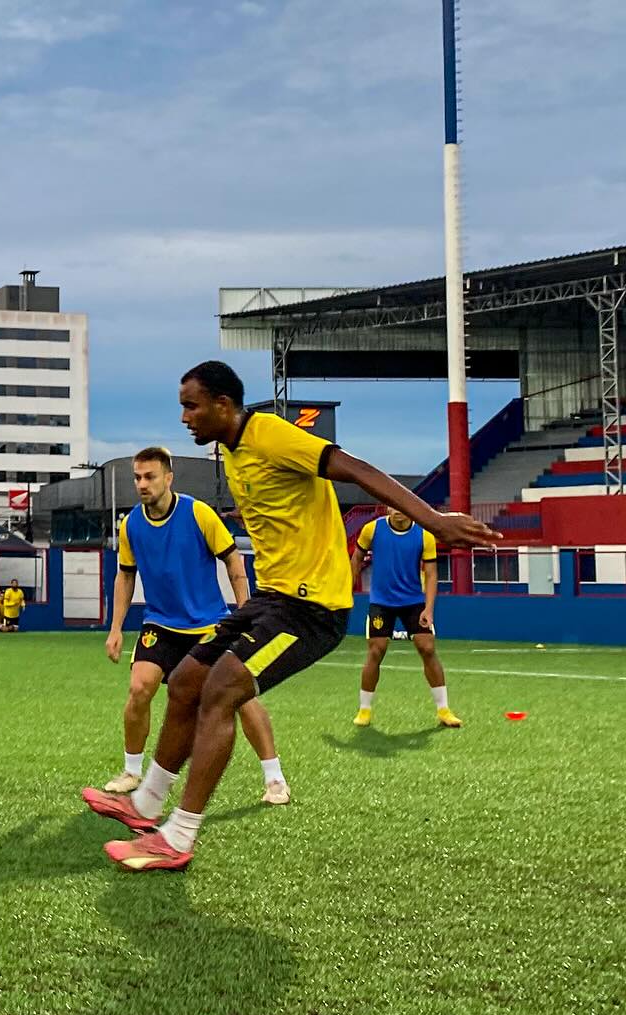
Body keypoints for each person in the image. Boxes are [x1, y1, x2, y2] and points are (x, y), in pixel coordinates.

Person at [100, 360, 498, 872]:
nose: (184, 417)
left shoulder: (269, 434)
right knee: (184, 682)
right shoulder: (234, 453)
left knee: (220, 689)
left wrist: (435, 520)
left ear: (224, 405)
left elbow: (357, 469)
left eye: (191, 405)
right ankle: (145, 805)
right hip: (273, 599)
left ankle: (177, 837)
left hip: (313, 609)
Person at [81, 446, 290, 810]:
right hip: (160, 623)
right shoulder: (131, 524)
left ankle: (275, 779)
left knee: (243, 698)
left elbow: (234, 561)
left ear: (168, 478)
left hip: (209, 624)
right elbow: (125, 577)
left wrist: (245, 617)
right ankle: (132, 771)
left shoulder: (198, 513)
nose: (142, 484)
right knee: (139, 687)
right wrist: (115, 627)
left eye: (150, 477)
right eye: (137, 477)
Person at [351, 510, 463, 728]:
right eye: (392, 507)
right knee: (376, 650)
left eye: (400, 506)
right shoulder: (372, 530)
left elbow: (431, 574)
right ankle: (364, 710)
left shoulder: (424, 535)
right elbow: (356, 558)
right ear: (387, 508)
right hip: (381, 601)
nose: (397, 511)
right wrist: (346, 591)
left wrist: (429, 609)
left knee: (428, 648)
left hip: (413, 601)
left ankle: (444, 710)